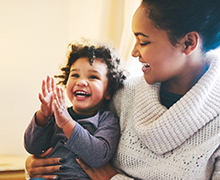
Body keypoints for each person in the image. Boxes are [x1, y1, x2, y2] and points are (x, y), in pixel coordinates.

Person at [25, 0, 220, 179]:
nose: (134, 52)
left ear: (188, 43)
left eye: (143, 41)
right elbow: (63, 140)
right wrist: (36, 162)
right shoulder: (122, 94)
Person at [24, 41, 126, 180]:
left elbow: (98, 156)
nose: (81, 82)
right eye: (75, 75)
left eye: (93, 77)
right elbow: (32, 147)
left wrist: (67, 123)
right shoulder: (57, 115)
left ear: (108, 91)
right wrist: (43, 116)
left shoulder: (107, 120)